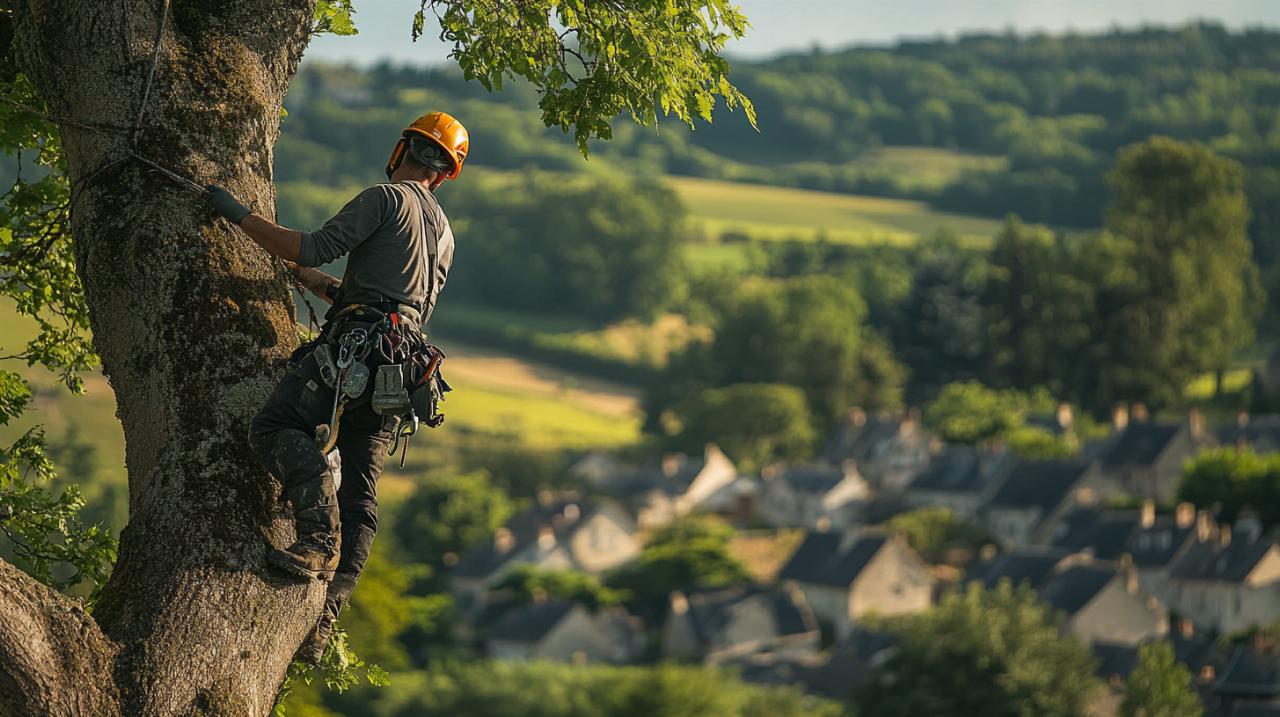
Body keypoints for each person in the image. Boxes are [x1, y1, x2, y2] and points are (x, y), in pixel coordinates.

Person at [206, 111, 467, 663]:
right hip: (403, 365)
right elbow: (389, 301)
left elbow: (310, 246)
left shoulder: (384, 197)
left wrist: (238, 215)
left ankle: (317, 538)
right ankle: (326, 618)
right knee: (362, 490)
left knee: (274, 427)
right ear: (446, 175)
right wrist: (321, 286)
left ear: (403, 151)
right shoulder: (443, 234)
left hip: (356, 349)